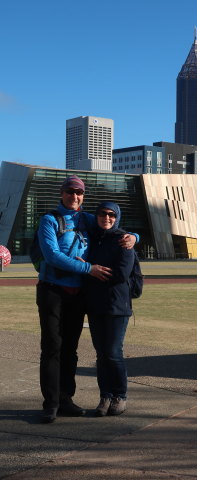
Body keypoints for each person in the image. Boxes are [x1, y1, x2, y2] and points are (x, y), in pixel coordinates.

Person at [36, 176, 135, 424]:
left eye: (79, 193)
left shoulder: (86, 218)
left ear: (83, 196)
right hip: (52, 291)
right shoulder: (49, 220)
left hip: (78, 294)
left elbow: (111, 224)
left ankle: (66, 399)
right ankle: (51, 403)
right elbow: (52, 256)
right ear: (62, 193)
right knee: (52, 347)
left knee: (70, 349)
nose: (74, 196)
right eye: (70, 192)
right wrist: (88, 269)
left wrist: (134, 237)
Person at [84, 202, 134, 416]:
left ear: (118, 217)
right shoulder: (93, 239)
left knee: (113, 353)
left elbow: (122, 273)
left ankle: (120, 396)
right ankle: (105, 396)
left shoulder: (123, 240)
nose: (107, 218)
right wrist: (88, 269)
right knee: (101, 354)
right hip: (95, 305)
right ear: (96, 216)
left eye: (112, 215)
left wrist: (93, 272)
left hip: (117, 306)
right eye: (103, 214)